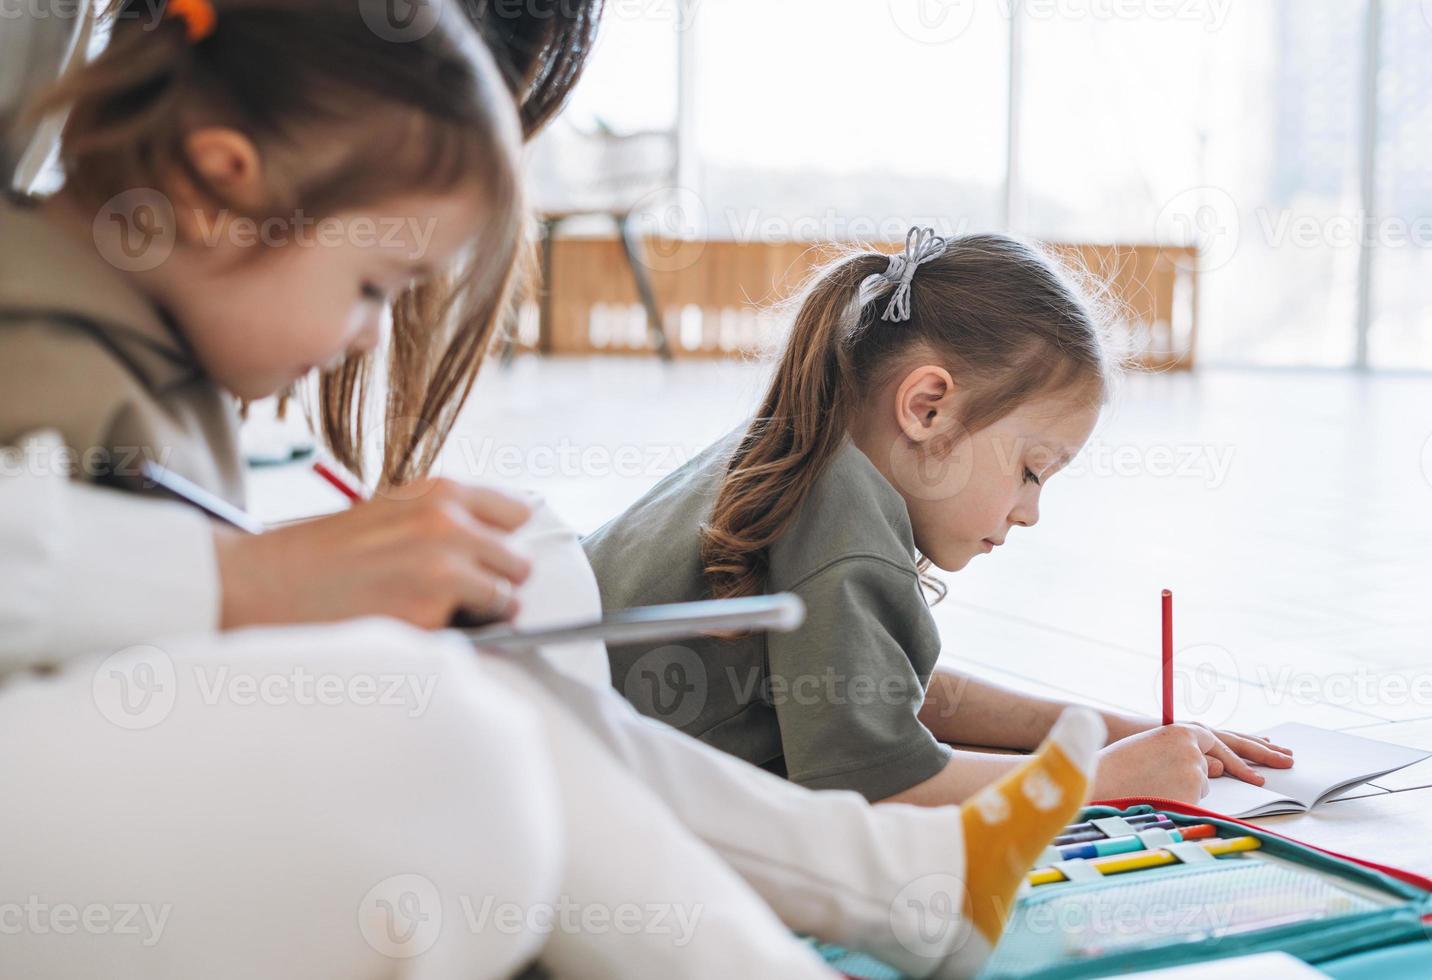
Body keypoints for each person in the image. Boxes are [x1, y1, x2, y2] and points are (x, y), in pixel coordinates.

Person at [0, 3, 1103, 976]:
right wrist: (254, 583)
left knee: (495, 613)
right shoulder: (54, 354)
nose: (373, 334)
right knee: (459, 719)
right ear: (220, 183)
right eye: (371, 284)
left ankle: (906, 885)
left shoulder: (131, 343)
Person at [585, 228, 1296, 806]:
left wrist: (1110, 731)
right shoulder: (841, 520)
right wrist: (1101, 778)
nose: (1030, 513)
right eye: (1030, 471)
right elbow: (877, 785)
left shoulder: (802, 450)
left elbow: (881, 694)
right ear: (928, 407)